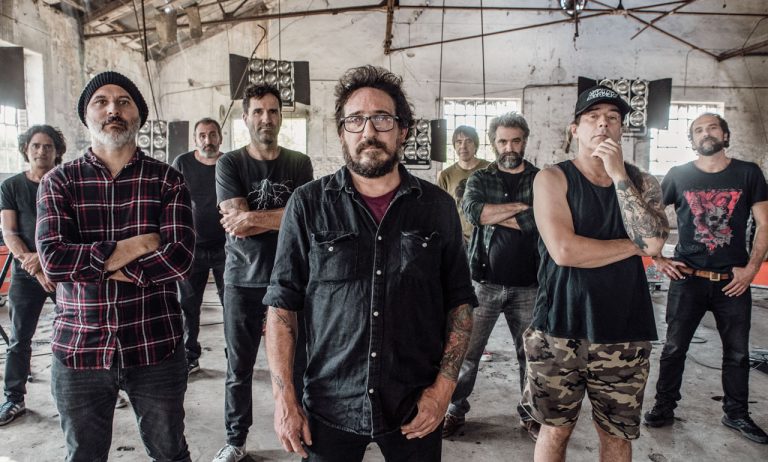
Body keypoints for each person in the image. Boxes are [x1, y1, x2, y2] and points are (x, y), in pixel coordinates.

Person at [263, 65, 477, 462]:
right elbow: (281, 307)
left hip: (415, 404)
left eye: (382, 118)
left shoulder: (437, 207)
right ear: (342, 132)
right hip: (329, 405)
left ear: (403, 130)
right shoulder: (308, 205)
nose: (369, 131)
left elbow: (460, 305)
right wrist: (284, 399)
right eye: (356, 120)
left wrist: (443, 390)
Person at [36, 71, 195, 461]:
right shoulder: (58, 182)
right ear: (85, 115)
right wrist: (140, 244)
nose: (113, 110)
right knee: (84, 456)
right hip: (79, 347)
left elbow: (179, 258)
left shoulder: (167, 181)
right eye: (101, 102)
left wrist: (92, 265)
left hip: (154, 344)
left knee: (170, 453)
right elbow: (54, 260)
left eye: (124, 102)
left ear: (138, 115)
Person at [524, 85, 669, 462]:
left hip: (625, 331)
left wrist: (618, 174)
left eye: (613, 118)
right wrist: (634, 245)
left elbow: (655, 242)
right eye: (593, 117)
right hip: (559, 328)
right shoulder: (552, 178)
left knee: (616, 435)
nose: (603, 124)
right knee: (555, 430)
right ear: (575, 129)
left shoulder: (642, 181)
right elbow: (565, 251)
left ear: (621, 130)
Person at [644, 113, 768, 444]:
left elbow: (765, 223)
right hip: (688, 278)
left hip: (733, 280)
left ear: (725, 135)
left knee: (738, 353)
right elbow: (649, 217)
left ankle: (737, 413)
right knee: (674, 348)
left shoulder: (748, 173)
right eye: (698, 130)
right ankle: (664, 407)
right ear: (692, 140)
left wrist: (751, 269)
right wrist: (658, 258)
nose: (705, 133)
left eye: (712, 127)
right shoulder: (678, 175)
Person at [212, 84, 313, 462]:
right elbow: (235, 223)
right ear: (246, 118)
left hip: (290, 278)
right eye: (258, 111)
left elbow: (305, 218)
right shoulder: (229, 163)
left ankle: (303, 433)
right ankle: (235, 439)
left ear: (281, 117)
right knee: (238, 366)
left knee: (299, 363)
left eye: (272, 111)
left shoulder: (299, 163)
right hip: (242, 279)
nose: (266, 118)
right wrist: (285, 216)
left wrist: (254, 218)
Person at [442, 113, 540, 441]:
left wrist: (495, 214)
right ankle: (455, 410)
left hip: (529, 285)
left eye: (515, 140)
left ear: (525, 141)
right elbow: (474, 212)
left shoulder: (542, 180)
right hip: (483, 283)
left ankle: (531, 414)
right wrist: (522, 209)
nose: (509, 147)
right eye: (502, 141)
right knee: (466, 353)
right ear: (494, 143)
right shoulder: (481, 178)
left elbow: (542, 221)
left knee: (531, 356)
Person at [0, 125, 63, 426]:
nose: (41, 151)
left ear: (57, 151)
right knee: (19, 338)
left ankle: (97, 389)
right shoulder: (11, 186)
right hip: (27, 274)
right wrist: (35, 265)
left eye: (48, 146)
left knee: (82, 331)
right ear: (26, 149)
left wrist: (46, 261)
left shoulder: (66, 182)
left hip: (62, 270)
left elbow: (74, 230)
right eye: (36, 145)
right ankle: (14, 398)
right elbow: (10, 232)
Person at [172, 117, 227, 374]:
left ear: (220, 137)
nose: (208, 140)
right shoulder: (182, 163)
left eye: (212, 134)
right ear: (195, 139)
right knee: (188, 305)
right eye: (202, 135)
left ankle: (234, 354)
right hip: (192, 247)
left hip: (227, 248)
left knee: (232, 304)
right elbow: (171, 201)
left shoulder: (230, 162)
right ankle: (189, 355)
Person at [437, 125, 490, 242]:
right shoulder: (445, 175)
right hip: (458, 240)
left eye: (468, 141)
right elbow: (442, 212)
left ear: (476, 145)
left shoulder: (490, 170)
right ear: (454, 146)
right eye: (459, 142)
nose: (463, 146)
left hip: (487, 237)